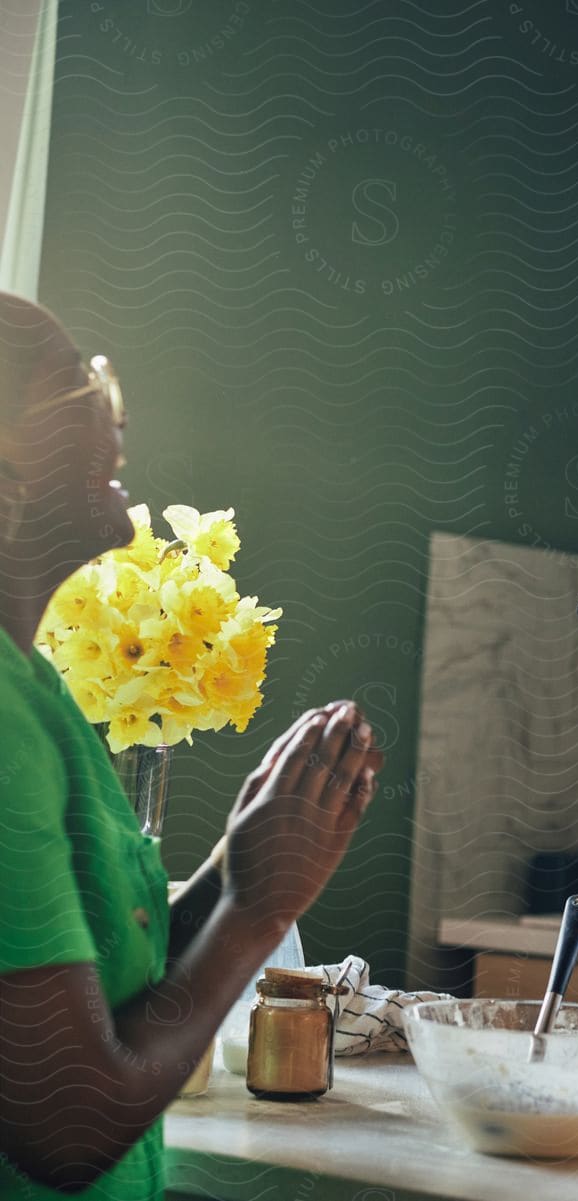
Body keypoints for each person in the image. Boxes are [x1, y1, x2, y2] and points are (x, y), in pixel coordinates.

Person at [0, 292, 382, 1199]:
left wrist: (234, 864)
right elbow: (70, 1120)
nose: (113, 414)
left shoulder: (35, 688)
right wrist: (254, 912)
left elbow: (107, 1000)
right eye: (79, 387)